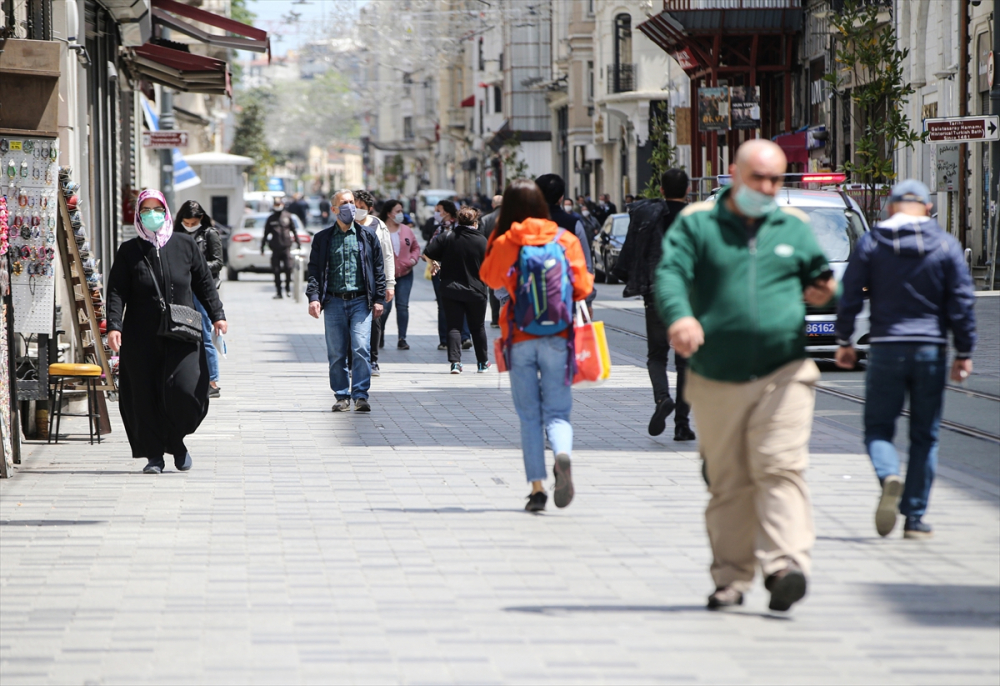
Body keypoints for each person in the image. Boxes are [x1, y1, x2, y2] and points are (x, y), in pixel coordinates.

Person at [655, 139, 837, 612]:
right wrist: (680, 317)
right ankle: (732, 578)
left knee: (779, 467)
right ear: (734, 174)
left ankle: (784, 566)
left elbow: (820, 278)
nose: (768, 188)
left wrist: (824, 292)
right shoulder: (698, 224)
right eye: (758, 178)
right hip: (716, 374)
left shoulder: (792, 226)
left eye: (776, 179)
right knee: (729, 479)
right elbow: (671, 273)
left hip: (785, 370)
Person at [834, 179, 976, 540]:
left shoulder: (873, 243)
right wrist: (964, 351)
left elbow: (850, 293)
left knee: (878, 429)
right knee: (925, 436)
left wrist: (845, 339)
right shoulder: (946, 245)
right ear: (928, 209)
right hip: (930, 350)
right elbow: (961, 301)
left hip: (885, 348)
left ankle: (888, 475)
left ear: (891, 207)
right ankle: (914, 518)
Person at [481, 180, 594, 512]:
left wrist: (499, 242)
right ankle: (562, 454)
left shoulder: (507, 239)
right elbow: (584, 286)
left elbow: (489, 278)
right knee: (558, 412)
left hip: (520, 337)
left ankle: (536, 490)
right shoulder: (565, 238)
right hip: (558, 337)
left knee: (529, 417)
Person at [106, 189, 227, 474]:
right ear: (138, 214)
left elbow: (204, 284)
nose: (151, 215)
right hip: (140, 336)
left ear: (166, 211)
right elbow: (116, 292)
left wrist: (218, 316)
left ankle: (177, 440)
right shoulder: (129, 251)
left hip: (181, 333)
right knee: (145, 395)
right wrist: (114, 325)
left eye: (156, 209)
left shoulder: (185, 245)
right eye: (145, 210)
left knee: (186, 391)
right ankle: (155, 456)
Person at [613, 169, 694, 441]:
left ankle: (662, 398)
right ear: (688, 190)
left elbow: (630, 254)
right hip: (689, 297)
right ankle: (682, 425)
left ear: (661, 190)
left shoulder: (648, 216)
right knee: (686, 362)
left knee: (657, 355)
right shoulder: (697, 219)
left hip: (657, 294)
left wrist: (623, 272)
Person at [306, 190, 386, 413]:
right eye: (344, 203)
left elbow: (378, 269)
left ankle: (360, 395)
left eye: (352, 203)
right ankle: (341, 395)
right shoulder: (323, 238)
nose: (350, 207)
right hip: (333, 302)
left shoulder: (367, 236)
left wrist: (379, 298)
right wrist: (314, 298)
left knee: (361, 347)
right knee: (337, 352)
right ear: (333, 209)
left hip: (361, 301)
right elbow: (314, 270)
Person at [425, 206, 490, 373]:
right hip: (476, 290)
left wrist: (435, 263)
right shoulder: (482, 241)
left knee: (454, 326)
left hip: (450, 289)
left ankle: (455, 363)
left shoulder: (447, 237)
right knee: (478, 327)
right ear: (475, 223)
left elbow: (428, 252)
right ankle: (482, 363)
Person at [174, 200, 224, 399]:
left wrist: (197, 268)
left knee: (205, 335)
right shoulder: (175, 234)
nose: (190, 225)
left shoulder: (209, 234)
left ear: (201, 218)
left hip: (202, 289)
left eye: (193, 221)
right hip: (181, 289)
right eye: (186, 221)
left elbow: (218, 262)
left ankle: (212, 381)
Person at [535, 174, 596, 309]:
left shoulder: (524, 224)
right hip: (566, 300)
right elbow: (585, 265)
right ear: (561, 197)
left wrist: (505, 299)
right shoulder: (574, 224)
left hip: (530, 301)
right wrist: (587, 300)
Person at [354, 190, 396, 377]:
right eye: (355, 207)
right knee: (351, 322)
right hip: (353, 281)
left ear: (370, 209)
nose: (358, 211)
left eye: (361, 208)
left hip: (374, 281)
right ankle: (352, 360)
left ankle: (373, 360)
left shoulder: (378, 225)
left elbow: (387, 254)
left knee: (375, 320)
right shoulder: (346, 224)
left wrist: (390, 283)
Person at [425, 200, 471, 350]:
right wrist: (432, 260)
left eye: (438, 210)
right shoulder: (438, 229)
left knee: (461, 303)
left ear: (447, 212)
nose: (436, 213)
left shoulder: (459, 228)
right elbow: (430, 249)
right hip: (439, 271)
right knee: (443, 305)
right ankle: (444, 340)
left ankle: (464, 337)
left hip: (458, 270)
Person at [379, 199, 421, 350]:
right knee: (385, 307)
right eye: (397, 211)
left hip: (405, 274)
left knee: (402, 306)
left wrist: (413, 259)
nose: (401, 214)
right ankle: (379, 334)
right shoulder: (380, 229)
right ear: (389, 214)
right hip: (385, 276)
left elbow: (416, 247)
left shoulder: (406, 230)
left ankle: (402, 338)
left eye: (401, 211)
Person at [262, 197, 300, 299]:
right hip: (275, 248)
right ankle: (278, 291)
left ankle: (287, 289)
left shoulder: (287, 216)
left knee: (288, 268)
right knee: (276, 270)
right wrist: (262, 246)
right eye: (276, 204)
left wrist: (298, 242)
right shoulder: (271, 218)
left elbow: (294, 230)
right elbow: (265, 234)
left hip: (286, 247)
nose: (278, 206)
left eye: (279, 204)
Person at [479, 195, 504, 327]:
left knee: (494, 288)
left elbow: (482, 241)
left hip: (492, 258)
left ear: (493, 205)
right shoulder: (512, 218)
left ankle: (495, 318)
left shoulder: (485, 219)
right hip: (509, 258)